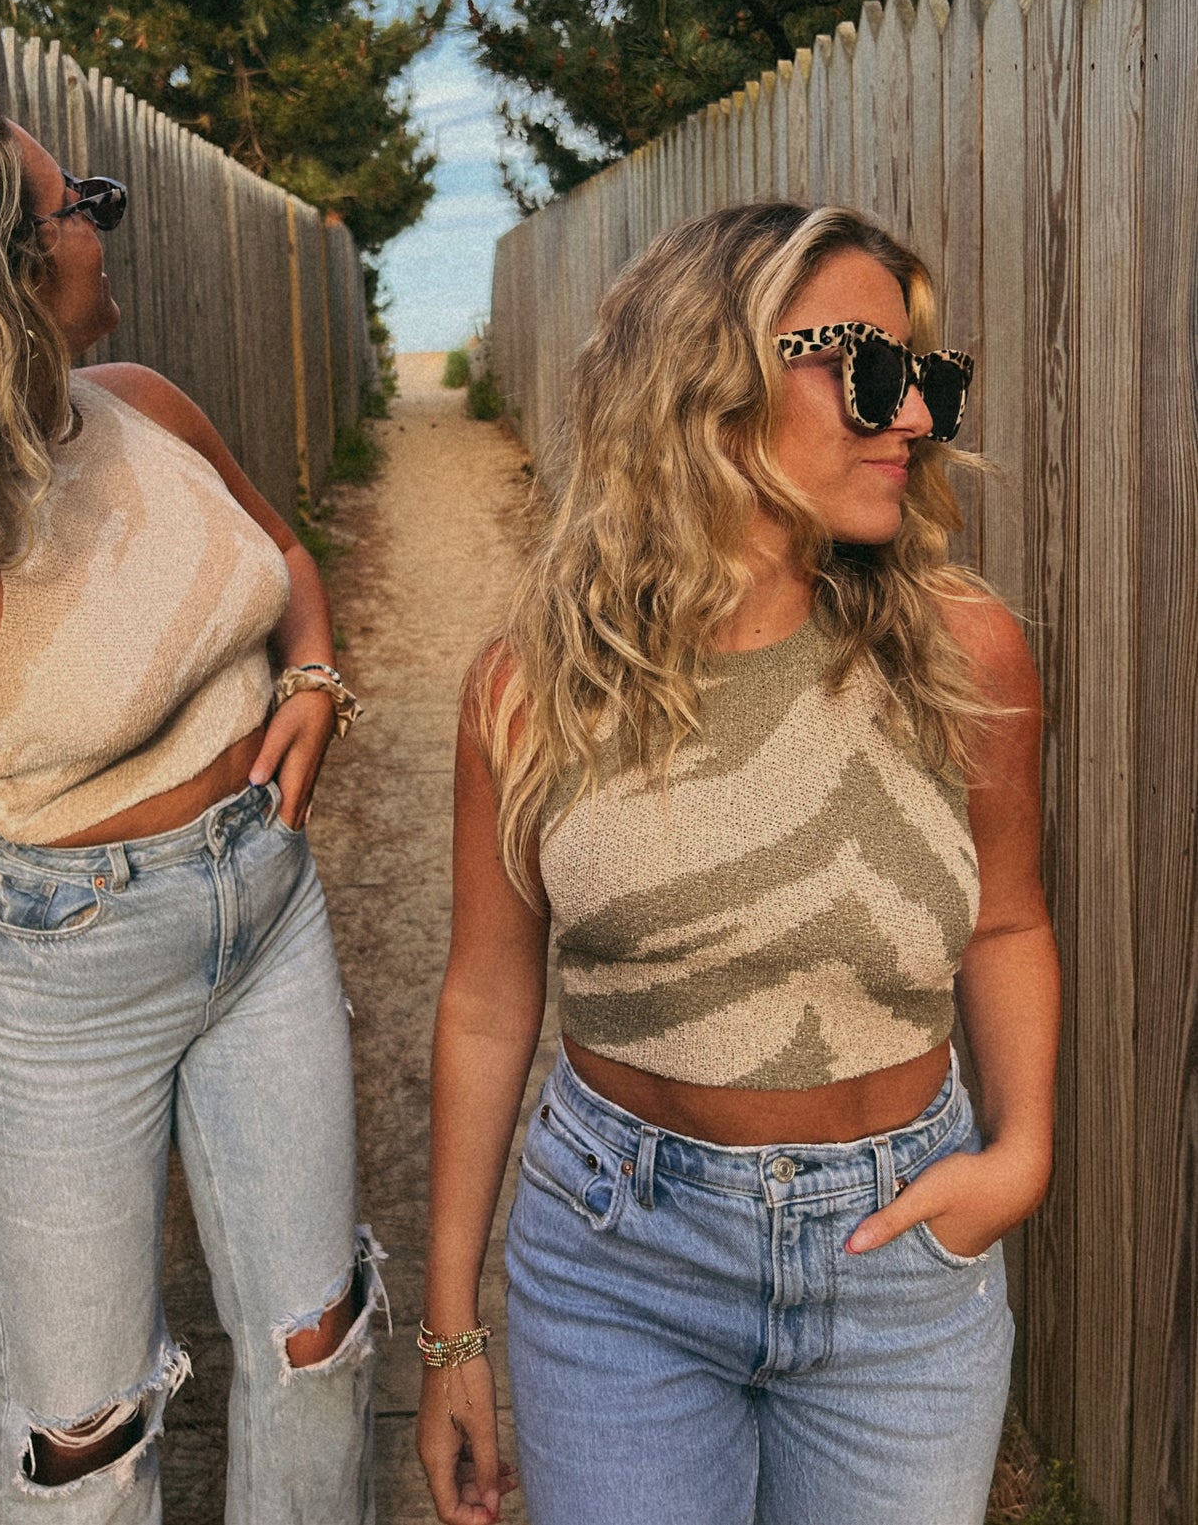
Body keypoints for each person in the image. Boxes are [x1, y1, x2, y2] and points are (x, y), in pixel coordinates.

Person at [0, 45, 382, 1522]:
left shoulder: (140, 400)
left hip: (269, 903)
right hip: (68, 971)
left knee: (324, 1339)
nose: (107, 221)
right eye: (77, 201)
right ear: (7, 268)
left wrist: (314, 675)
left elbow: (283, 555)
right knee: (80, 1444)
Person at [417, 202, 1058, 1525]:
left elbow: (1004, 922)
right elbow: (486, 1000)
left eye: (924, 379)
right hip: (616, 1264)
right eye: (868, 372)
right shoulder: (532, 689)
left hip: (900, 1261)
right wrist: (447, 1335)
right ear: (716, 382)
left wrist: (1024, 1153)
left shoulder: (961, 651)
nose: (915, 418)